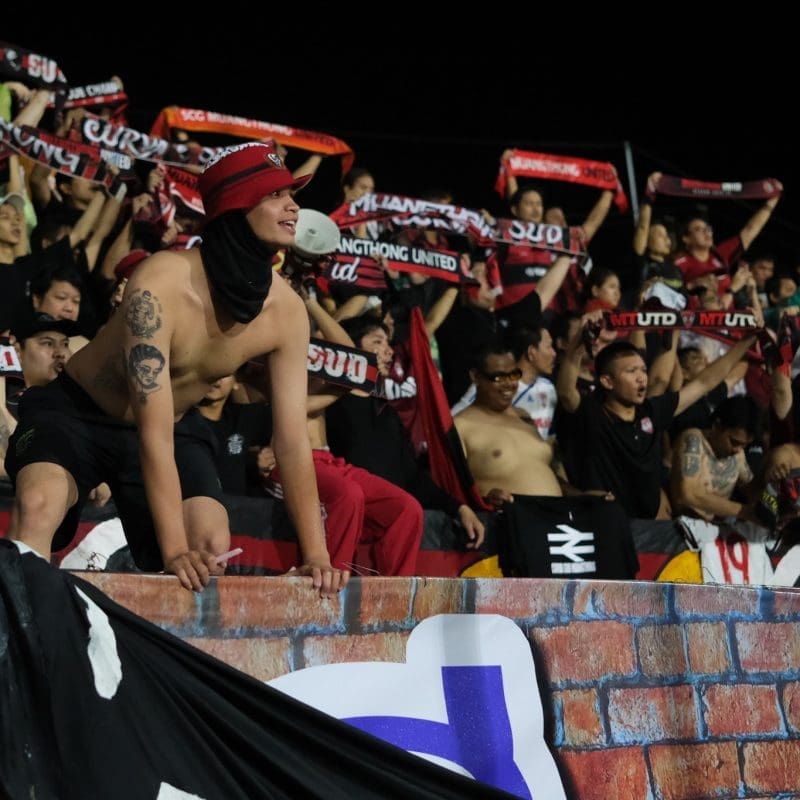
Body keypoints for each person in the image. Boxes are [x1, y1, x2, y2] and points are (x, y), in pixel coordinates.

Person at [5, 142, 348, 595]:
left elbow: (290, 439)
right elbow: (152, 432)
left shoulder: (286, 312)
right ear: (234, 207)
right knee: (38, 503)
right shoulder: (159, 282)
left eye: (291, 194)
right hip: (76, 414)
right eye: (274, 195)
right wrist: (172, 553)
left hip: (174, 425)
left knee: (208, 544)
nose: (294, 206)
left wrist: (316, 558)